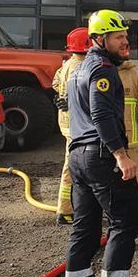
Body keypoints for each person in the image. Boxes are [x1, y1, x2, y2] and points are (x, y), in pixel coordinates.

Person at [65, 9, 138, 277]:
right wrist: (121, 155)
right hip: (101, 156)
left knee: (85, 225)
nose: (125, 42)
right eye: (119, 37)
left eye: (125, 36)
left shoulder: (78, 69)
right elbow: (100, 114)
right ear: (100, 38)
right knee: (124, 220)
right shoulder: (103, 69)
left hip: (79, 157)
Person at [53, 27, 91, 225]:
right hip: (76, 124)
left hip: (66, 122)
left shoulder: (67, 64)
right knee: (72, 167)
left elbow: (55, 83)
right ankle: (65, 210)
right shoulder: (82, 67)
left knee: (73, 164)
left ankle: (69, 207)